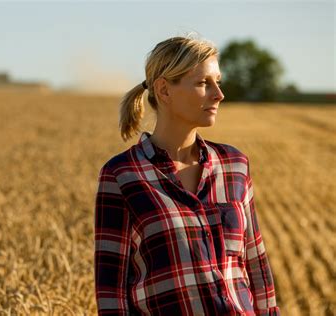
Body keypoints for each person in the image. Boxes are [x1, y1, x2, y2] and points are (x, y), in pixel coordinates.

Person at [94, 35, 280, 315]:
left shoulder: (235, 165)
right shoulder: (122, 175)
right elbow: (111, 291)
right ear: (164, 91)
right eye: (204, 83)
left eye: (218, 81)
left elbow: (257, 266)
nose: (219, 94)